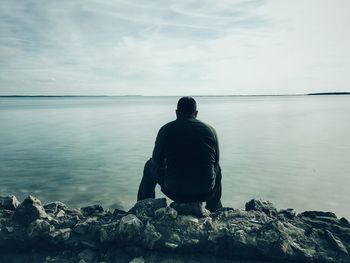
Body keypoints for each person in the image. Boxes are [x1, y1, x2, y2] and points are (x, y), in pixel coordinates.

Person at [137, 96, 222, 212]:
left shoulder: (166, 129)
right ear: (196, 113)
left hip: (175, 191)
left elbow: (157, 161)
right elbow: (216, 161)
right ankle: (214, 208)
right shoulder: (210, 131)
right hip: (204, 192)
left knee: (149, 165)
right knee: (217, 168)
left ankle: (143, 207)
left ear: (177, 113)